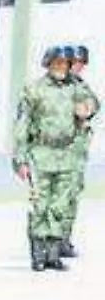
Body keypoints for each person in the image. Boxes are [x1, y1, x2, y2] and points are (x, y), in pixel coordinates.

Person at [14, 45, 92, 272]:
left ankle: (54, 252)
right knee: (41, 204)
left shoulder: (76, 88)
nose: (61, 68)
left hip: (66, 154)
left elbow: (93, 103)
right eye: (56, 63)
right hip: (41, 153)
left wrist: (87, 108)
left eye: (65, 64)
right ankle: (38, 253)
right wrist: (20, 159)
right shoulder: (34, 90)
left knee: (60, 205)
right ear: (48, 64)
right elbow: (22, 125)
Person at [62, 44, 95, 257]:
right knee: (52, 198)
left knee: (71, 195)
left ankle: (64, 238)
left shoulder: (82, 87)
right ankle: (49, 239)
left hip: (76, 152)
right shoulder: (53, 86)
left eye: (81, 64)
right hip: (54, 151)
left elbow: (94, 104)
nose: (78, 67)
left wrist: (88, 109)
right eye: (75, 63)